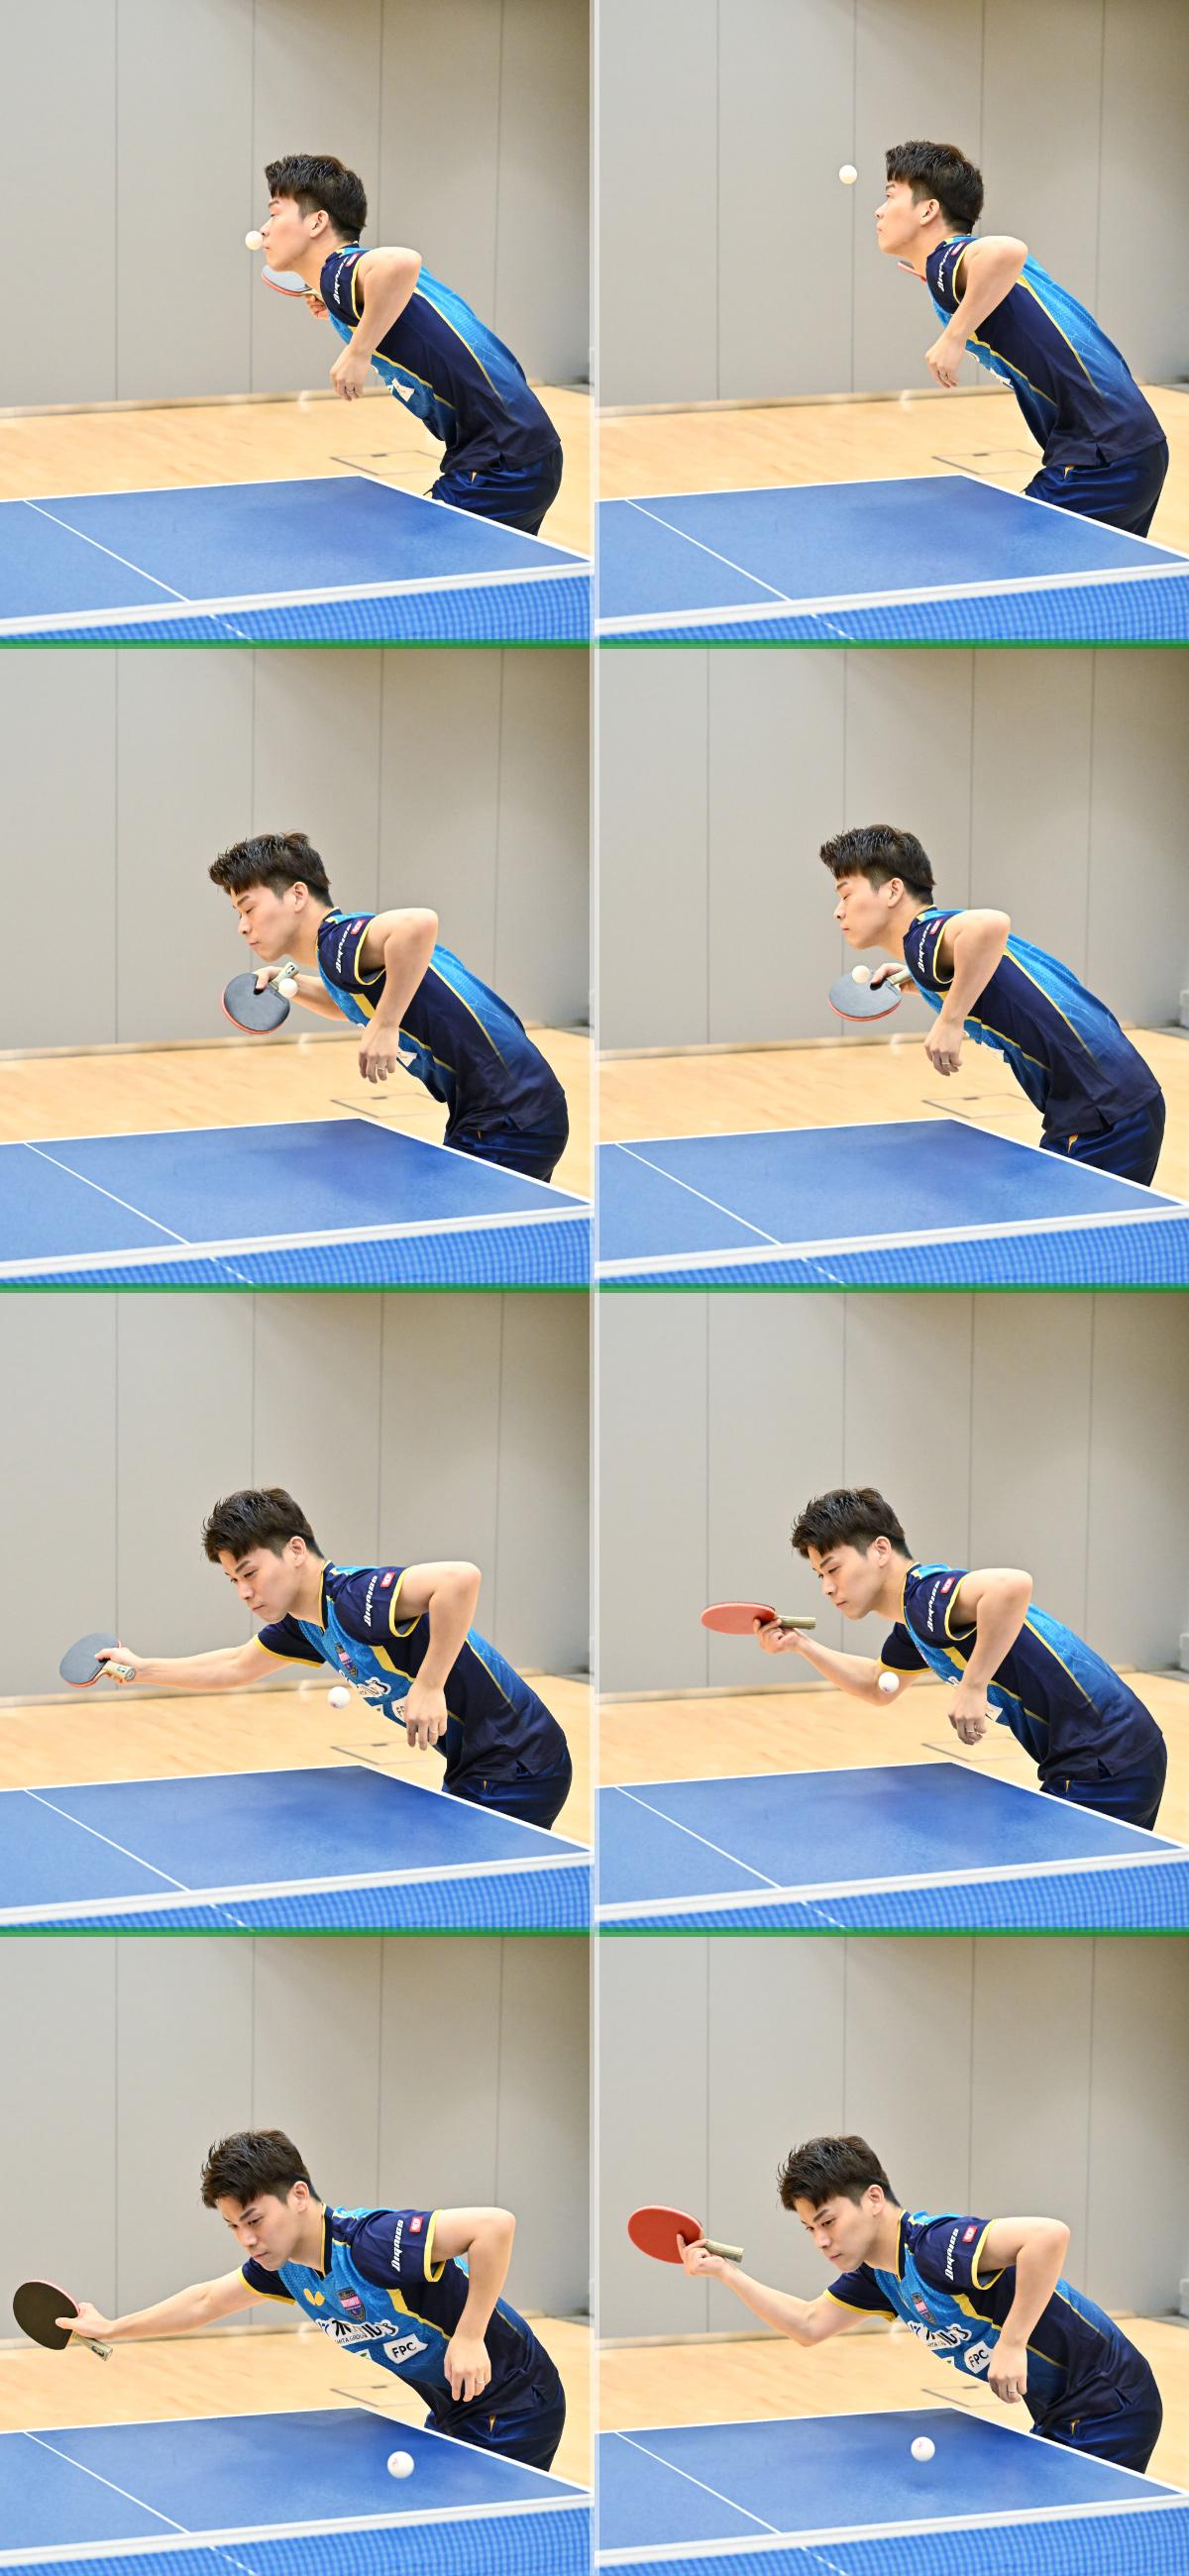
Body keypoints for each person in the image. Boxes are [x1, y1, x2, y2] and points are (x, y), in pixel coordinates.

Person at [65, 2128, 567, 2468]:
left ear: (299, 2196)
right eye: (234, 2226)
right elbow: (205, 2302)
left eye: (255, 2220)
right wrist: (111, 2328)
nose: (246, 2239)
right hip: (454, 2406)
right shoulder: (285, 2269)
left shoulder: (371, 2243)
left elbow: (494, 2226)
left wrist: (471, 2335)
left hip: (517, 2401)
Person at [679, 2133, 1161, 2472]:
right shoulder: (877, 2276)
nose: (821, 2241)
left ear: (873, 2199)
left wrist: (1013, 2343)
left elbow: (1047, 2236)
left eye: (828, 2222)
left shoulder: (935, 2245)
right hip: (1061, 2408)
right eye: (810, 2229)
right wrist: (726, 2272)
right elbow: (808, 2324)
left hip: (1111, 2401)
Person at [100, 1485, 574, 1830]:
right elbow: (235, 1666)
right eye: (234, 1581)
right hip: (479, 1765)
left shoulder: (355, 1596)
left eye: (250, 1573)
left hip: (519, 1764)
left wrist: (430, 1685)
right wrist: (139, 1669)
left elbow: (460, 1578)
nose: (244, 1592)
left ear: (295, 1550)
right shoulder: (307, 1622)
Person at [755, 1486, 1166, 1831]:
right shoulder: (914, 1625)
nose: (827, 1588)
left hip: (1104, 1759)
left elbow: (1011, 1586)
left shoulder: (926, 1596)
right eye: (820, 1576)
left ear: (880, 1550)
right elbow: (879, 1685)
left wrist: (973, 1685)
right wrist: (800, 1645)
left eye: (833, 1569)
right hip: (1113, 1753)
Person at [211, 830, 570, 1182]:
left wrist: (385, 1024)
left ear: (297, 895)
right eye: (238, 914)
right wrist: (290, 984)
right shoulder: (339, 958)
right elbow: (346, 1003)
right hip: (517, 1107)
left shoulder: (338, 942)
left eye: (249, 909)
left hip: (506, 1118)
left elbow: (418, 923)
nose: (242, 926)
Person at [820, 824, 1166, 1185]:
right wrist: (922, 980)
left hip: (1102, 1111)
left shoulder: (924, 938)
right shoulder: (933, 941)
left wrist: (950, 1020)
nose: (838, 911)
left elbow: (990, 924)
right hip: (1116, 1100)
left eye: (846, 895)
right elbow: (991, 973)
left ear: (893, 890)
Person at [876, 140, 1168, 536]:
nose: (879, 210)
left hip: (1098, 458)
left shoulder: (947, 258)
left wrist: (953, 336)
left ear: (928, 210)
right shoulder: (964, 270)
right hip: (1138, 446)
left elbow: (1008, 250)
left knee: (1005, 559)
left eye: (890, 195)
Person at [260, 154, 563, 534]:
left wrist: (357, 352)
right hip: (524, 450)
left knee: (409, 559)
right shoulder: (350, 281)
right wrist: (339, 307)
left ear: (317, 221)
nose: (264, 230)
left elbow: (401, 262)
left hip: (498, 465)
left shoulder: (340, 270)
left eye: (274, 214)